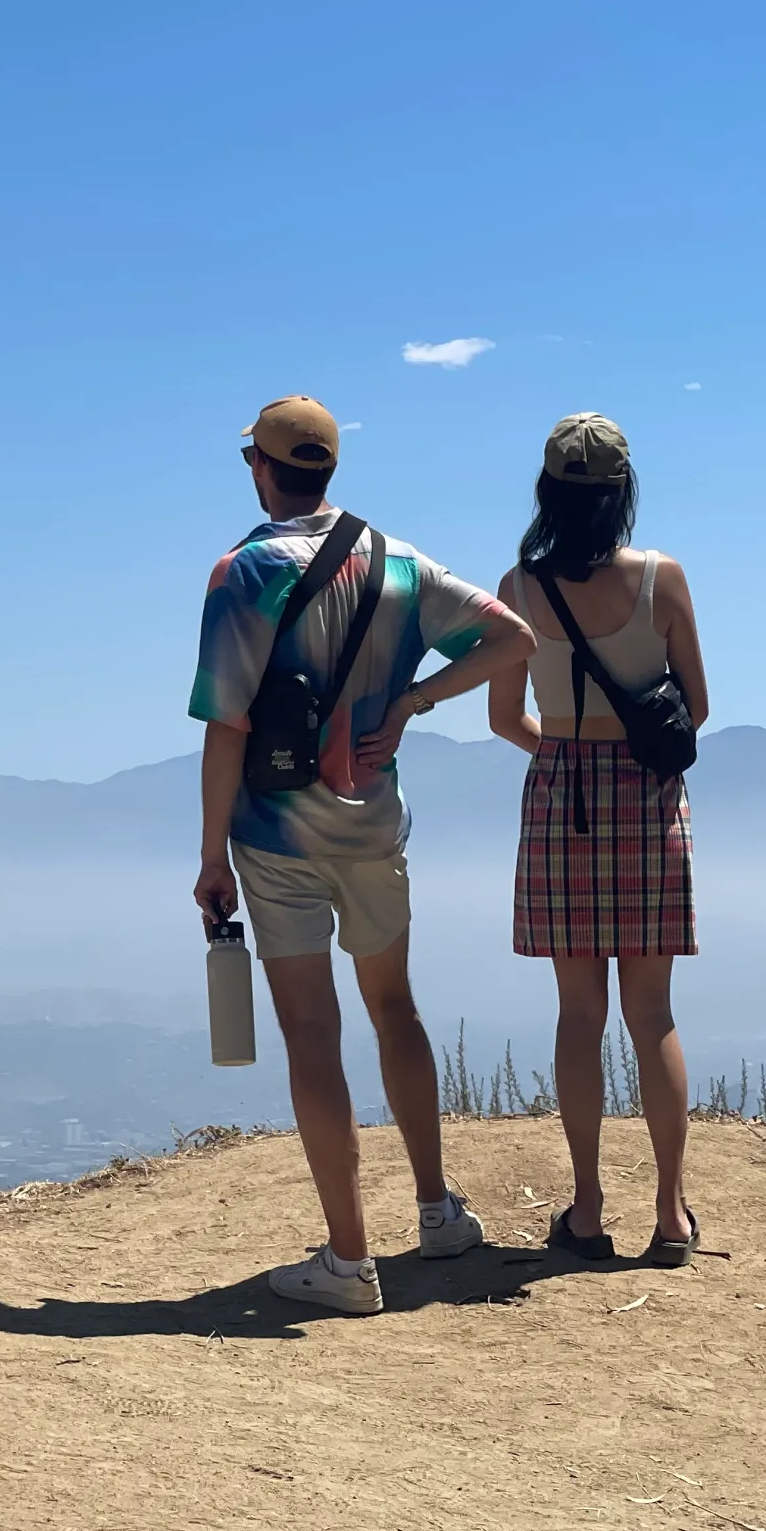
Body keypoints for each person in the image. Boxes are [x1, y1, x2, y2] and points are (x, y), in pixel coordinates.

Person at [191, 396, 538, 1314]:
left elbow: (226, 727)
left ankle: (349, 1264)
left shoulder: (244, 571)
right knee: (397, 1009)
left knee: (313, 1035)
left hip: (273, 835)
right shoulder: (397, 562)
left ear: (259, 468)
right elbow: (514, 637)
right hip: (374, 824)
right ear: (330, 471)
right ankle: (435, 1212)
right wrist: (412, 701)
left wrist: (209, 856)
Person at [487, 413, 709, 1267]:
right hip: (649, 801)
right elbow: (700, 708)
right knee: (651, 1014)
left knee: (579, 1015)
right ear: (623, 494)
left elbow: (507, 718)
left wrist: (567, 743)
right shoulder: (664, 579)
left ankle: (585, 1209)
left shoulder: (521, 586)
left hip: (561, 797)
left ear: (548, 492)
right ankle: (669, 1217)